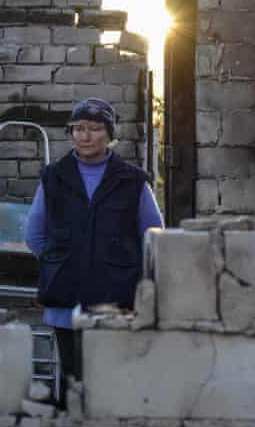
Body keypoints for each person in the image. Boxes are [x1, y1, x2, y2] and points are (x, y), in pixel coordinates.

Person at [24, 97, 164, 386]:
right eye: (77, 129)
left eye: (94, 128)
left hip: (116, 301)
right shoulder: (54, 178)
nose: (84, 136)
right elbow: (34, 235)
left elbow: (154, 236)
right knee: (72, 379)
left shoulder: (132, 181)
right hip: (66, 300)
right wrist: (61, 264)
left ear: (110, 135)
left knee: (112, 382)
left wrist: (125, 271)